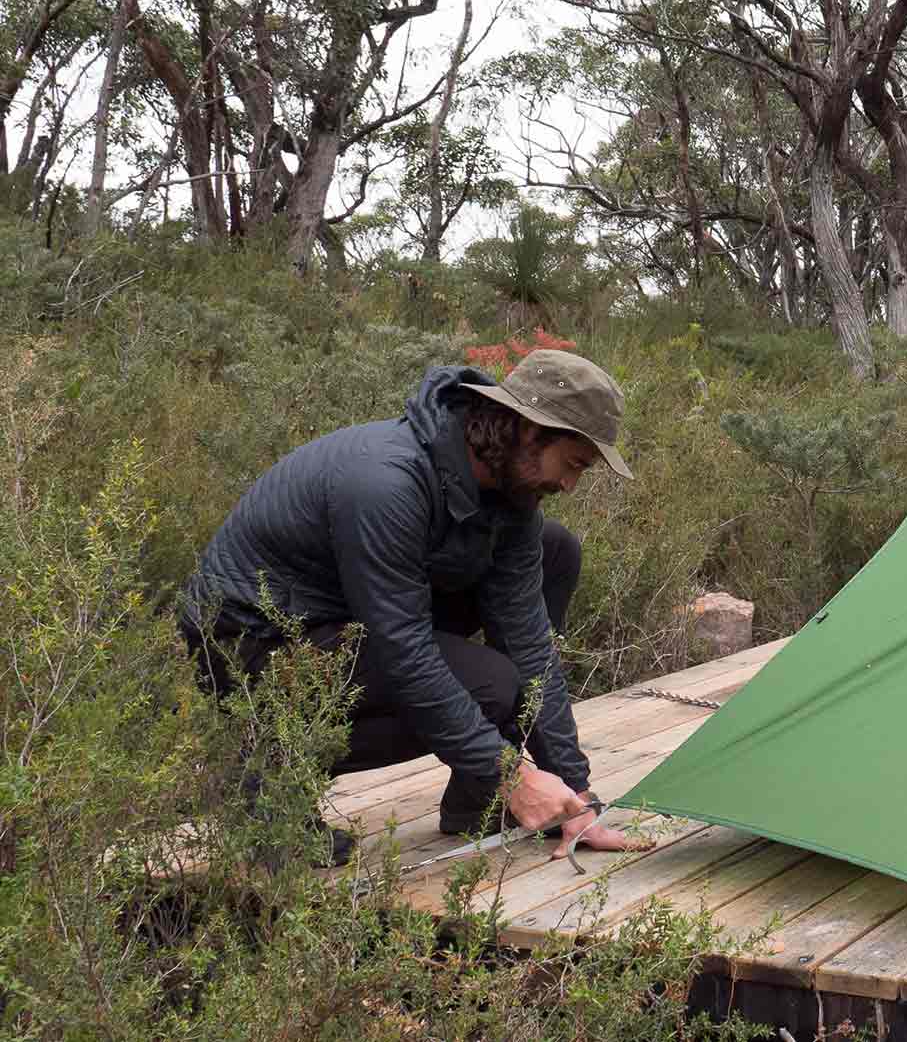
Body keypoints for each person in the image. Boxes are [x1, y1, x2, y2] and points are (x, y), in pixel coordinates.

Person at [179, 348, 650, 865]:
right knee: (491, 684)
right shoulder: (388, 480)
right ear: (528, 431)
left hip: (347, 619)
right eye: (574, 463)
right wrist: (508, 771)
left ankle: (482, 802)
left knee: (554, 552)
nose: (569, 484)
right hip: (253, 646)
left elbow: (531, 645)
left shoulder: (512, 498)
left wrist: (578, 797)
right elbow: (404, 649)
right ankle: (266, 776)